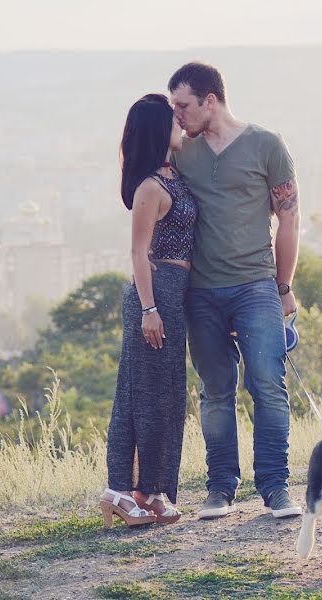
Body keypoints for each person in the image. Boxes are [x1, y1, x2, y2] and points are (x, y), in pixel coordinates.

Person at [168, 62, 303, 519]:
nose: (178, 114)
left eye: (183, 105)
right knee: (215, 390)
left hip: (256, 287)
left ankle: (276, 488)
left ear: (211, 99)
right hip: (200, 292)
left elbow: (289, 219)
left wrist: (284, 287)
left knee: (267, 383)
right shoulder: (182, 154)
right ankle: (220, 488)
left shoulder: (266, 145)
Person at [100, 94, 198, 527]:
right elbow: (139, 254)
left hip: (174, 296)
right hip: (153, 296)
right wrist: (149, 309)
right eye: (173, 118)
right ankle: (119, 492)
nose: (181, 122)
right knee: (138, 398)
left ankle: (153, 491)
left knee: (167, 398)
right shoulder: (150, 188)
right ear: (161, 129)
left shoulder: (174, 175)